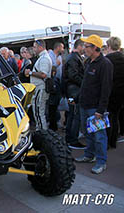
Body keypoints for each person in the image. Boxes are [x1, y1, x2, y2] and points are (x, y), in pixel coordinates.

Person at [75, 34, 113, 174]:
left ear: (95, 48)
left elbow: (106, 89)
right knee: (88, 133)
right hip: (85, 105)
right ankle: (89, 155)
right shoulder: (89, 62)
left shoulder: (105, 64)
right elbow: (85, 84)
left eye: (87, 46)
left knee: (99, 136)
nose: (84, 49)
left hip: (95, 108)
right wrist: (77, 98)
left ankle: (101, 162)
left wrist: (101, 110)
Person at [63, 39, 86, 149]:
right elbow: (73, 75)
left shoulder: (73, 57)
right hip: (74, 89)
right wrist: (84, 83)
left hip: (72, 89)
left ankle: (70, 138)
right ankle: (72, 139)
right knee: (75, 114)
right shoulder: (73, 58)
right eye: (84, 47)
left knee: (72, 114)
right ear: (80, 46)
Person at [25, 40, 52, 131]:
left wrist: (31, 73)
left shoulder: (44, 58)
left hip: (40, 88)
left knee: (38, 112)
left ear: (40, 47)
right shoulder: (42, 57)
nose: (34, 49)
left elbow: (43, 74)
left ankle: (42, 132)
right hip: (39, 88)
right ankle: (41, 131)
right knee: (38, 112)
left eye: (35, 47)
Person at [105, 37, 124, 149]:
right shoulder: (123, 58)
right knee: (116, 117)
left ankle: (107, 142)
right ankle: (113, 141)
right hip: (121, 93)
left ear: (109, 46)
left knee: (108, 117)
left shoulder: (107, 60)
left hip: (110, 92)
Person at [48, 42, 65, 131]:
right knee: (52, 106)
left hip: (58, 84)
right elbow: (49, 70)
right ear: (57, 47)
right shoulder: (50, 56)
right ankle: (52, 126)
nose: (63, 49)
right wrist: (56, 65)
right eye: (62, 47)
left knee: (56, 105)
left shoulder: (59, 57)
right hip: (52, 84)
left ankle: (56, 122)